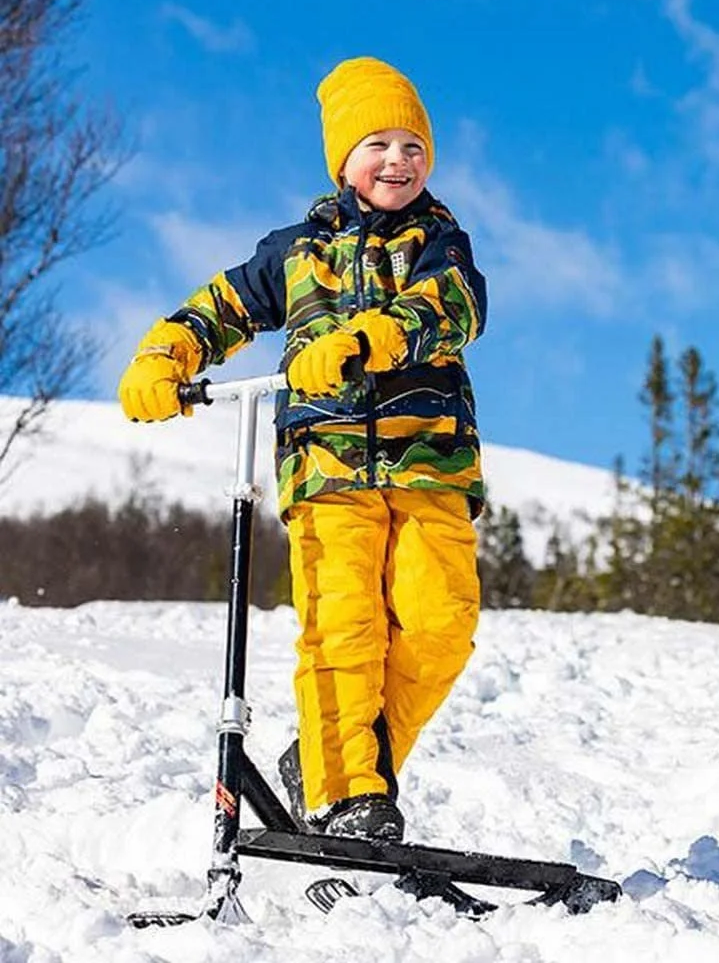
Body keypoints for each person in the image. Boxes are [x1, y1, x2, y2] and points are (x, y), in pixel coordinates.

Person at [117, 57, 488, 842]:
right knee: (345, 627)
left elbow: (453, 308)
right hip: (327, 469)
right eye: (379, 143)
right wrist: (165, 356)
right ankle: (350, 789)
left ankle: (327, 761)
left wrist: (371, 335)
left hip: (431, 463)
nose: (398, 161)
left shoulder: (441, 242)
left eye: (414, 146)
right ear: (343, 159)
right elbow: (219, 307)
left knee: (440, 626)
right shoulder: (295, 253)